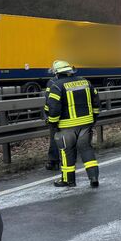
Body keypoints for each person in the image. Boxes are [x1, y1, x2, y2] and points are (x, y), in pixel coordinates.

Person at [44, 60, 101, 188]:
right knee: (87, 150)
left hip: (66, 126)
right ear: (70, 71)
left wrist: (52, 123)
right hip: (86, 124)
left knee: (66, 153)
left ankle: (68, 180)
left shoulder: (57, 86)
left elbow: (53, 107)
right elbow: (96, 101)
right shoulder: (86, 82)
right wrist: (93, 118)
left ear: (57, 73)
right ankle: (93, 178)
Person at [44, 72, 61, 171]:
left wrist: (48, 116)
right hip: (70, 116)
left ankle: (54, 161)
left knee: (54, 138)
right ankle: (69, 160)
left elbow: (49, 100)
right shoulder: (74, 81)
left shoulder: (52, 82)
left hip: (55, 115)